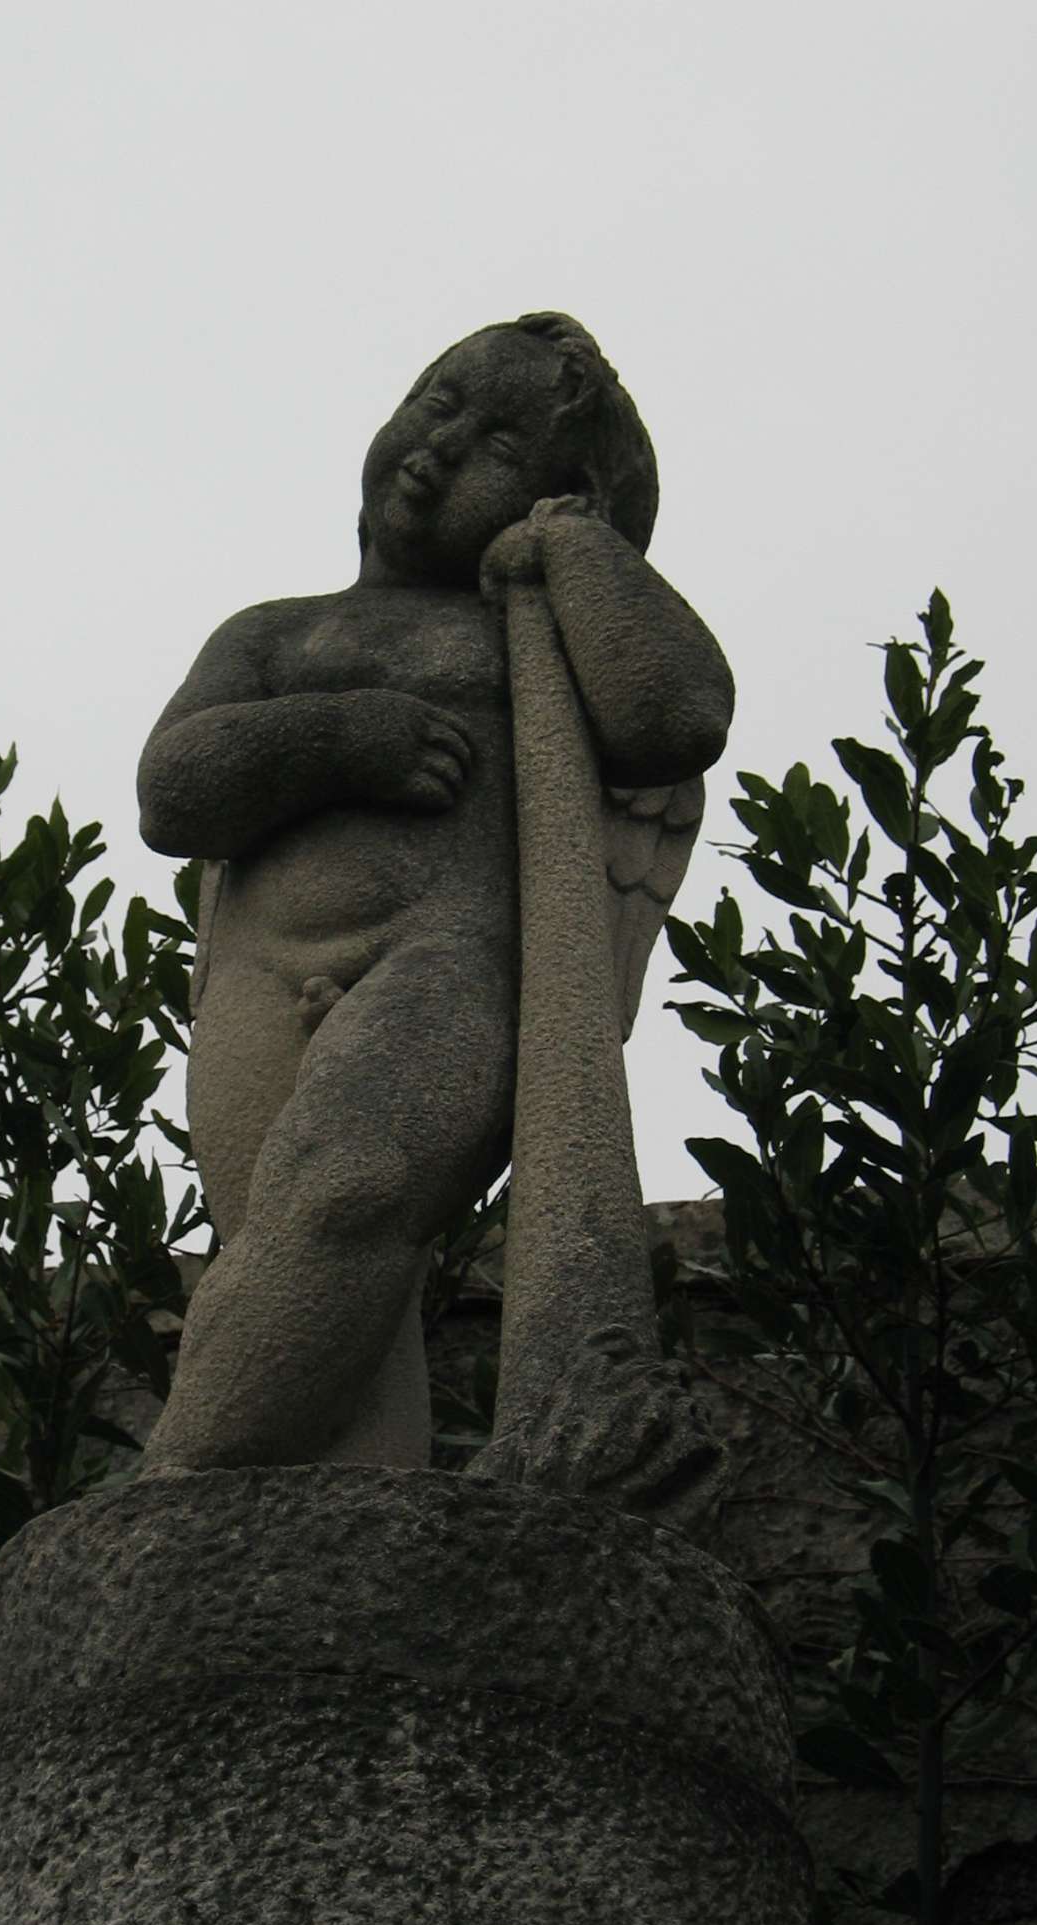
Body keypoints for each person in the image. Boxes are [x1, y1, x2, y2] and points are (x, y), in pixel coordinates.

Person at [135, 313, 733, 1473]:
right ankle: (342, 1519)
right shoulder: (272, 636)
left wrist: (577, 550)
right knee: (305, 1272)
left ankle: (173, 1493)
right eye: (439, 401)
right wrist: (337, 738)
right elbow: (174, 791)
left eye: (501, 447)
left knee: (350, 1192)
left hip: (448, 961)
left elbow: (676, 712)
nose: (443, 447)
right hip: (257, 982)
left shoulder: (534, 637)